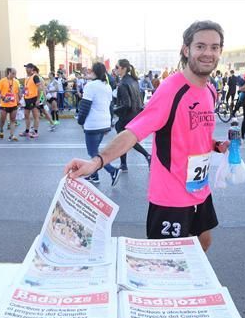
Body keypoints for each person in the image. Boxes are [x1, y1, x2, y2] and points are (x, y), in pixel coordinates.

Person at [65, 21, 229, 251]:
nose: (208, 53)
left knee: (203, 242)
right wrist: (97, 162)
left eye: (214, 47)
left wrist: (215, 145)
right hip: (171, 196)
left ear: (220, 51)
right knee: (167, 260)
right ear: (186, 50)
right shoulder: (171, 90)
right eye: (200, 46)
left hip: (199, 189)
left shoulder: (210, 90)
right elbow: (133, 132)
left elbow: (193, 134)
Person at [77, 62, 121, 186]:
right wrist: (109, 122)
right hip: (104, 122)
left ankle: (112, 171)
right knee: (95, 150)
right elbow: (110, 106)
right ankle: (93, 175)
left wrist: (80, 121)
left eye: (91, 70)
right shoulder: (107, 86)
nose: (89, 72)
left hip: (93, 124)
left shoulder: (90, 86)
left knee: (93, 153)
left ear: (95, 72)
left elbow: (85, 106)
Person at [114, 59, 152, 172]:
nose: (115, 70)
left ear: (123, 68)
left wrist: (114, 110)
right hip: (135, 115)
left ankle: (146, 156)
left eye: (117, 67)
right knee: (126, 140)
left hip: (126, 116)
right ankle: (124, 164)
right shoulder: (134, 80)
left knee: (124, 140)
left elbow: (127, 104)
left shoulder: (123, 84)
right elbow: (139, 99)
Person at [0, 67, 21, 141]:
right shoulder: (2, 81)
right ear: (9, 73)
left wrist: (18, 102)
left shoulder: (16, 82)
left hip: (13, 104)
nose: (14, 75)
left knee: (13, 120)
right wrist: (3, 98)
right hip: (4, 104)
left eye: (15, 74)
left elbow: (16, 93)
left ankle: (12, 135)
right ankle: (1, 129)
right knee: (3, 120)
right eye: (13, 73)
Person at [20, 63, 41, 138]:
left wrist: (38, 99)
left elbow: (39, 88)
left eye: (28, 68)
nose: (26, 69)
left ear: (32, 69)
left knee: (35, 116)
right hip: (27, 99)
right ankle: (27, 131)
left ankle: (35, 132)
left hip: (33, 98)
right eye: (26, 68)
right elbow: (26, 88)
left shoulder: (35, 77)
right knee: (26, 115)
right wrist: (22, 96)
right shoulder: (26, 78)